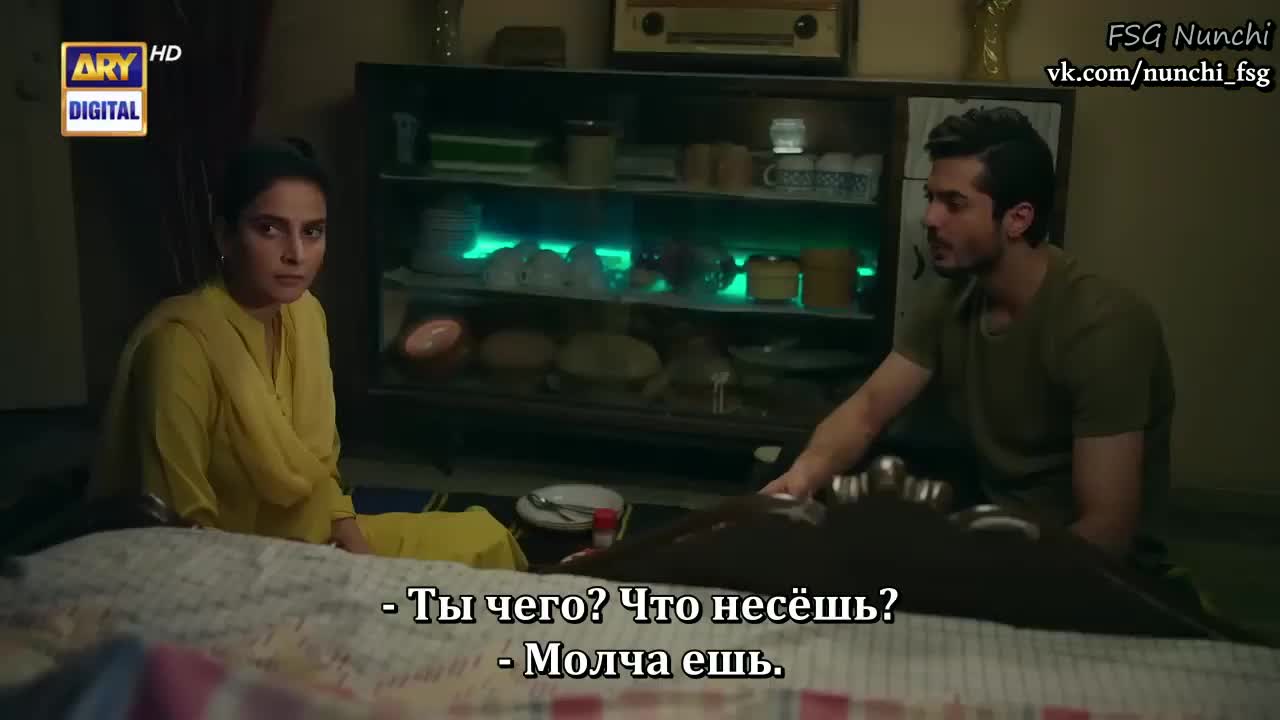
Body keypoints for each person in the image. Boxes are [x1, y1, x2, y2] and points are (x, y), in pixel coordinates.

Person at [90, 138, 527, 571]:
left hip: (317, 539)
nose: (296, 254)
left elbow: (322, 478)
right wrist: (313, 578)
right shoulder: (179, 348)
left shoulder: (305, 314)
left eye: (312, 232)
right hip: (236, 568)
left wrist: (363, 565)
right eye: (269, 229)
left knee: (485, 538)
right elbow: (182, 532)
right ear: (225, 236)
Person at [763, 107, 1176, 561]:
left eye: (954, 204)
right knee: (801, 459)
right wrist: (800, 480)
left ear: (1018, 219)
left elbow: (1108, 528)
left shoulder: (1103, 324)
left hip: (1075, 555)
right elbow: (867, 410)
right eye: (931, 198)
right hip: (989, 515)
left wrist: (977, 576)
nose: (930, 218)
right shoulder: (954, 298)